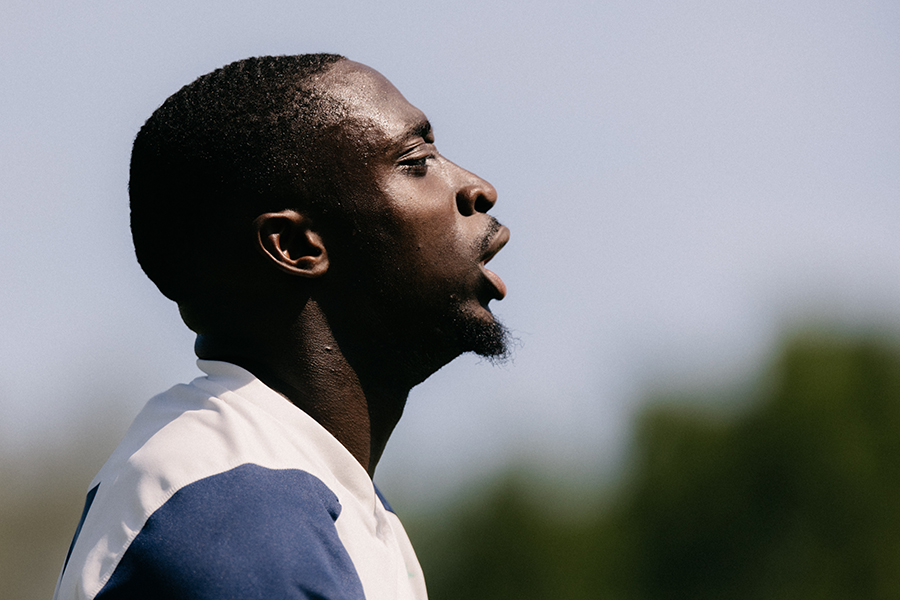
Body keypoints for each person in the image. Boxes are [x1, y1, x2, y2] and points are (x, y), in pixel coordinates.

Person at [53, 54, 510, 600]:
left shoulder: (313, 495)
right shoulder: (233, 502)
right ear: (294, 247)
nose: (477, 188)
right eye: (417, 160)